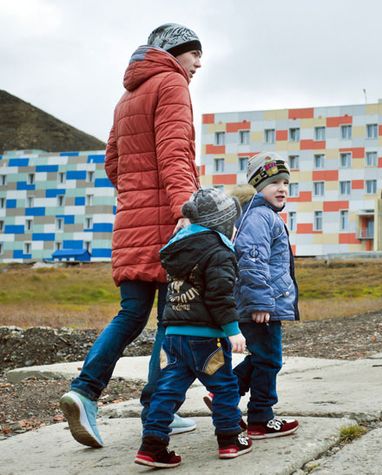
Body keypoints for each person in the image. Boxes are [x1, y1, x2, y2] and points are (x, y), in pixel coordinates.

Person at [60, 23, 202, 448]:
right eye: (194, 53)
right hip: (166, 223)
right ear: (175, 52)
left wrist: (139, 194)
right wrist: (186, 209)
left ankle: (85, 391)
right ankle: (157, 408)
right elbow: (175, 152)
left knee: (130, 314)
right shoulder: (171, 83)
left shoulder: (127, 96)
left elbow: (113, 164)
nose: (198, 63)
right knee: (171, 319)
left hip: (131, 221)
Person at [135, 188, 252, 468]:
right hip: (206, 339)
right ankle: (229, 439)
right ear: (222, 223)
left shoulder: (177, 246)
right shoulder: (219, 251)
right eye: (231, 222)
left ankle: (152, 446)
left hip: (174, 336)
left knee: (167, 390)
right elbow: (220, 295)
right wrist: (233, 329)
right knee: (224, 387)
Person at [204, 152, 300, 439]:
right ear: (258, 187)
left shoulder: (261, 215)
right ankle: (261, 415)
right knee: (270, 359)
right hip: (261, 305)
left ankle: (223, 392)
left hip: (263, 302)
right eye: (274, 183)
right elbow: (251, 260)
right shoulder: (260, 216)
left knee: (262, 357)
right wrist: (260, 302)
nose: (282, 188)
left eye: (285, 182)